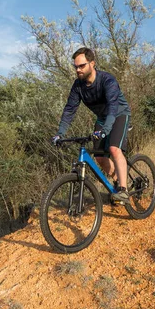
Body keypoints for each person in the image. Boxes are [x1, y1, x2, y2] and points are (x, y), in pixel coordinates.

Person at [52, 47, 131, 204]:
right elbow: (69, 110)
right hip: (102, 118)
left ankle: (124, 190)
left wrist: (105, 131)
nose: (78, 70)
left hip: (118, 114)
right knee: (100, 158)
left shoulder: (107, 80)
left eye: (82, 66)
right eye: (76, 66)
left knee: (114, 149)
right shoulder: (78, 86)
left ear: (92, 63)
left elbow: (112, 107)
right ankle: (116, 181)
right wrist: (60, 134)